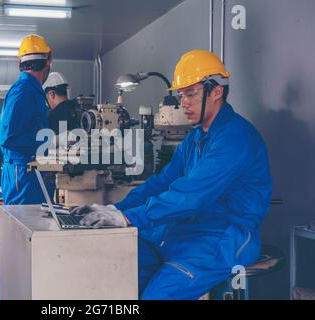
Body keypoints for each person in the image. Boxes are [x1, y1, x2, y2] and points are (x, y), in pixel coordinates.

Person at [71, 49, 273, 300]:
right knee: (117, 271)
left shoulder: (235, 138)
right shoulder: (196, 138)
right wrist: (116, 210)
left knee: (157, 297)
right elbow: (162, 183)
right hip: (184, 231)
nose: (183, 103)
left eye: (191, 94)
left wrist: (127, 217)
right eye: (181, 95)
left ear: (216, 91)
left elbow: (191, 195)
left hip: (223, 238)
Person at [0, 34, 55, 205]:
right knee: (24, 226)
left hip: (28, 173)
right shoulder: (24, 91)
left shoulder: (32, 90)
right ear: (48, 62)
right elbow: (9, 138)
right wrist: (50, 141)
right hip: (22, 175)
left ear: (20, 64)